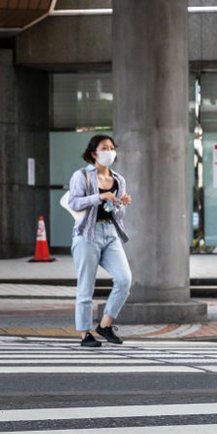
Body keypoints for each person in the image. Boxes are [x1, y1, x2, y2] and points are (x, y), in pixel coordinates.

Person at [67, 134, 133, 347]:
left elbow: (116, 214)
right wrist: (100, 197)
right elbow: (74, 202)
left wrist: (121, 203)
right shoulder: (82, 176)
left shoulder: (119, 179)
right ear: (94, 153)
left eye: (112, 147)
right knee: (86, 287)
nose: (109, 151)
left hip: (110, 234)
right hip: (87, 234)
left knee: (124, 280)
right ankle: (85, 334)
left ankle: (105, 325)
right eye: (104, 147)